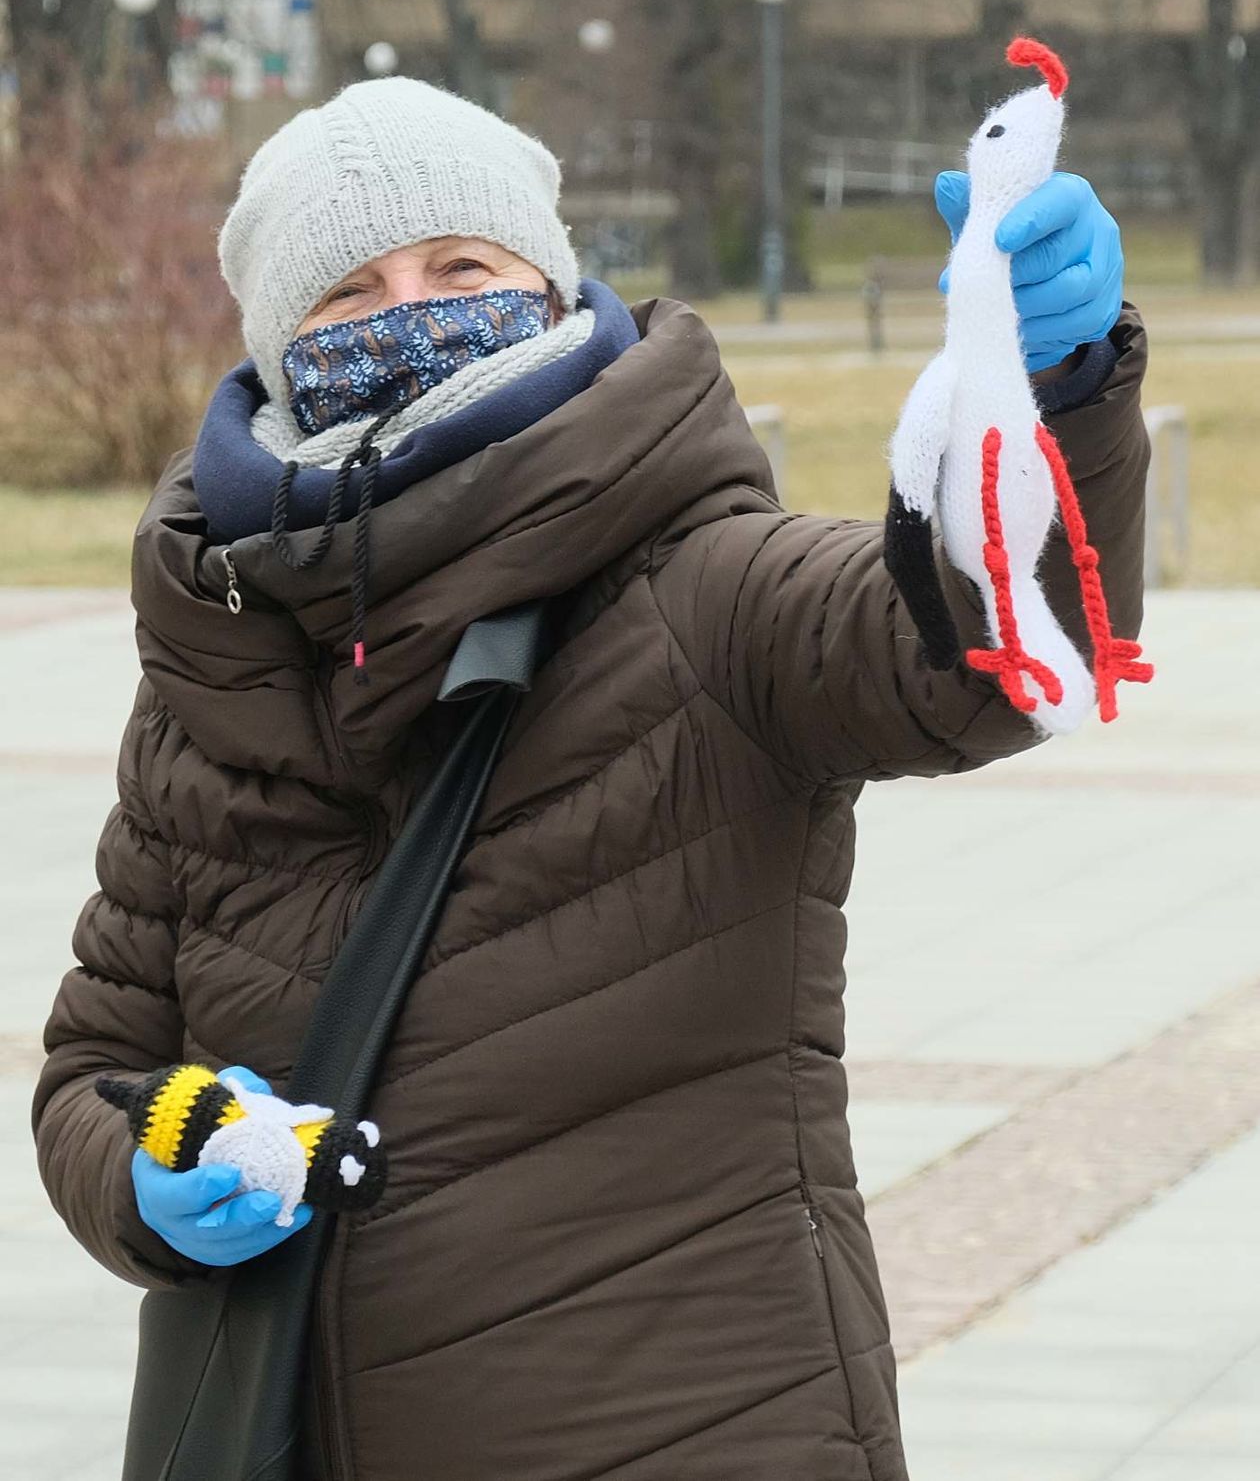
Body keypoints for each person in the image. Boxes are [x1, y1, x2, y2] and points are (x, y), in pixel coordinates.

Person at [30, 75, 1146, 1481]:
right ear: (276, 343)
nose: (410, 313)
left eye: (459, 268)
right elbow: (98, 1068)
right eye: (349, 291)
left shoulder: (706, 586)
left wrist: (1058, 387)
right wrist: (149, 1174)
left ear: (546, 286)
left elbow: (986, 660)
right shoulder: (220, 656)